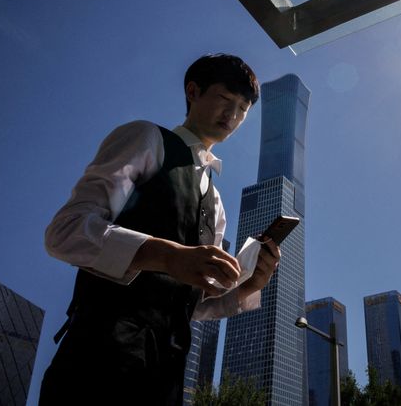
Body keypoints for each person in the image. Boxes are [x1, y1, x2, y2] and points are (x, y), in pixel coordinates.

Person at [39, 54, 281, 405]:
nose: (233, 115)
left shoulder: (215, 200)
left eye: (243, 108)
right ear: (193, 91)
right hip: (100, 360)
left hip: (165, 377)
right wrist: (167, 255)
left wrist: (249, 286)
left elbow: (191, 304)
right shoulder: (146, 138)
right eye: (226, 99)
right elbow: (66, 230)